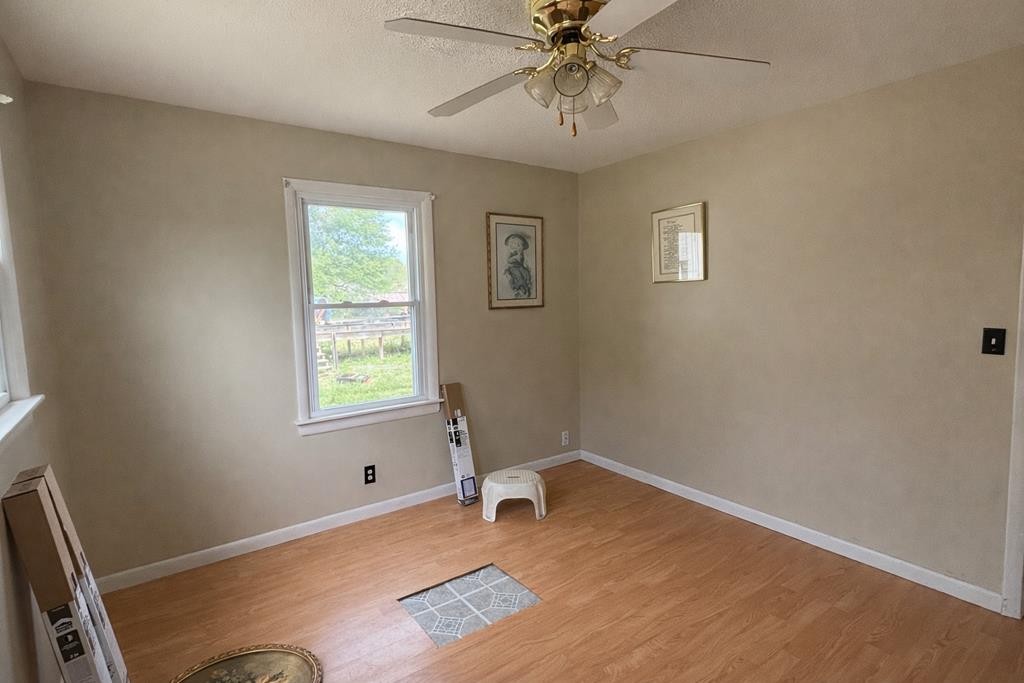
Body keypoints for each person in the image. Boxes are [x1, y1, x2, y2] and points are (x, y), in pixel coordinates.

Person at [503, 232, 533, 298]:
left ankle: (525, 287)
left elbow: (523, 262)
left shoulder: (521, 254)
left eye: (519, 245)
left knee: (526, 274)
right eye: (514, 244)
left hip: (520, 267)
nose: (517, 246)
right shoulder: (512, 253)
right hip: (513, 268)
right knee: (517, 276)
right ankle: (517, 288)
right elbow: (509, 261)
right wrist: (516, 257)